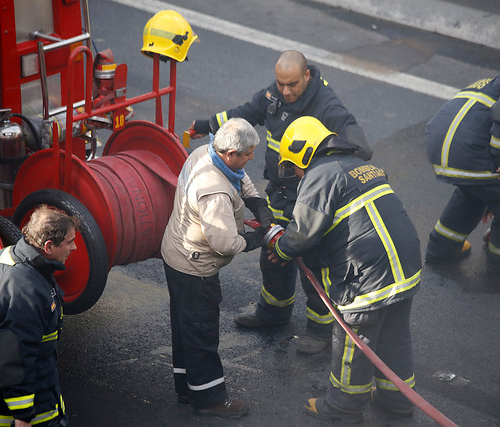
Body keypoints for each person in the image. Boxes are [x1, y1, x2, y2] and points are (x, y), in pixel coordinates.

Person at [189, 49, 372, 355]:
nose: (285, 91)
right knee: (273, 254)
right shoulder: (275, 94)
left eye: (292, 85)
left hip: (310, 198)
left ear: (307, 76)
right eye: (281, 84)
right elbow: (246, 112)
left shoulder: (326, 105)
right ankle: (273, 313)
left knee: (312, 265)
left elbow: (359, 145)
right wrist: (206, 124)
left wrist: (342, 162)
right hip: (280, 194)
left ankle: (319, 331)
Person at [268, 116, 422, 423]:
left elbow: (302, 233)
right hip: (405, 266)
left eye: (294, 166)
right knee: (394, 335)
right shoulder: (361, 166)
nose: (297, 174)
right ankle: (397, 401)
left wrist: (281, 249)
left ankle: (343, 407)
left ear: (302, 152)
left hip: (367, 276)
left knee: (353, 340)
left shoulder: (321, 174)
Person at [160, 118, 268, 419]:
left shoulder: (204, 153)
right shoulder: (215, 193)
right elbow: (224, 243)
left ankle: (187, 386)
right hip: (196, 270)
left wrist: (256, 201)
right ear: (230, 152)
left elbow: (239, 176)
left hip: (176, 254)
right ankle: (209, 399)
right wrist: (255, 240)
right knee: (201, 332)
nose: (251, 158)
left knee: (185, 328)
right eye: (248, 153)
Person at [424, 62, 500, 274]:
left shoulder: (492, 82)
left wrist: (492, 193)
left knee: (476, 189)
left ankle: (442, 248)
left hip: (439, 148)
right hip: (468, 151)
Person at [0, 206, 78, 427]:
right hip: (6, 413)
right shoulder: (24, 291)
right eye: (69, 242)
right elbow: (13, 357)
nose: (73, 247)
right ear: (48, 246)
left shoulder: (6, 258)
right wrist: (23, 416)